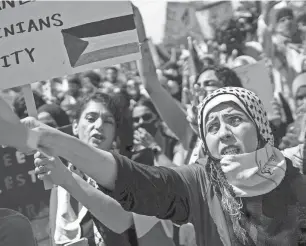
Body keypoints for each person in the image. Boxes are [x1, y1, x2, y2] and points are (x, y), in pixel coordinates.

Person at [27, 87, 306, 246]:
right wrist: (53, 139)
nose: (224, 133)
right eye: (212, 126)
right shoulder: (200, 182)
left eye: (234, 120)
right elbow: (133, 179)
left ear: (259, 127)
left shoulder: (298, 170)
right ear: (205, 143)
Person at [131, 97, 185, 167]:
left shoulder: (174, 144)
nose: (140, 122)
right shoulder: (129, 147)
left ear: (158, 119)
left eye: (146, 117)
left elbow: (178, 174)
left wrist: (153, 147)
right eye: (136, 119)